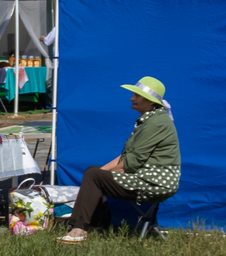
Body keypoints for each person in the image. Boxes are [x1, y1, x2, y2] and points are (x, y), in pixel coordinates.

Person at [57, 76, 179, 245]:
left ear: (150, 102)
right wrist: (101, 173)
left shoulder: (156, 122)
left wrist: (99, 176)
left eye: (137, 95)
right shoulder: (151, 120)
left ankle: (79, 229)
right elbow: (126, 156)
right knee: (94, 172)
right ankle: (95, 226)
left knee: (94, 176)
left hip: (154, 181)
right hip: (146, 176)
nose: (131, 98)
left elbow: (132, 161)